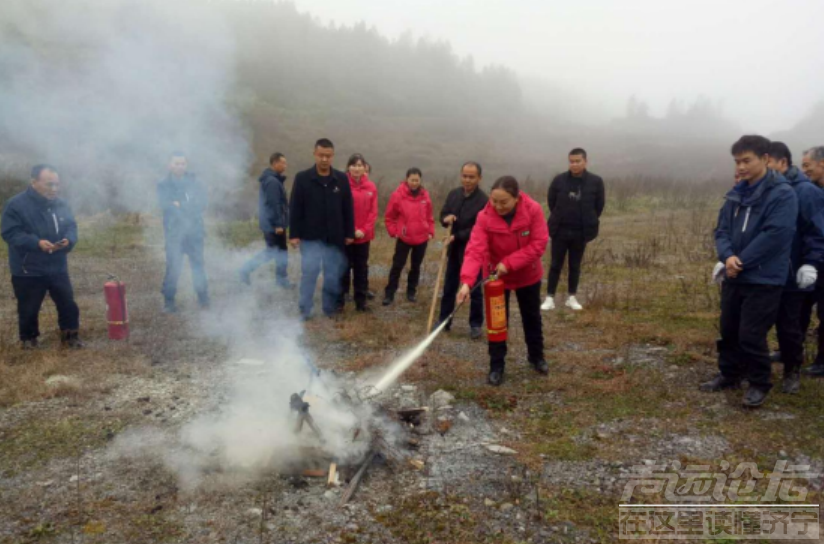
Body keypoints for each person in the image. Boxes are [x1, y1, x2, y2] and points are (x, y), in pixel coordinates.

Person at [701, 135, 798, 408]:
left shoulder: (782, 194)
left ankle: (759, 382)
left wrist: (739, 261)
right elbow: (721, 230)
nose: (741, 167)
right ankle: (730, 374)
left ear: (765, 159)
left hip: (764, 277)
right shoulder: (737, 193)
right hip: (735, 274)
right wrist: (727, 256)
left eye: (747, 160)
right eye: (737, 161)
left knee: (751, 333)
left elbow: (775, 235)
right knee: (729, 328)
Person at [457, 176, 550, 386]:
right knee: (497, 322)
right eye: (494, 201)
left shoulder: (533, 210)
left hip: (527, 275)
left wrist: (508, 263)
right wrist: (466, 282)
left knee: (531, 317)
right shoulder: (484, 217)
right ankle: (496, 365)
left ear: (516, 198)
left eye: (504, 202)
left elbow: (538, 244)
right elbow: (475, 250)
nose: (498, 206)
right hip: (496, 278)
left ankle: (537, 357)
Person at [1, 164, 83, 348]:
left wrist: (68, 240)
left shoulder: (61, 204)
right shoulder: (16, 205)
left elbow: (71, 226)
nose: (54, 189)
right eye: (49, 184)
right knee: (28, 308)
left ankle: (70, 336)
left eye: (56, 184)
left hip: (57, 265)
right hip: (28, 267)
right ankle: (29, 340)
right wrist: (36, 243)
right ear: (33, 182)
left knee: (67, 303)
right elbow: (10, 233)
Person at [765, 142, 824, 393]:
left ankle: (805, 366)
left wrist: (811, 262)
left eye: (809, 165)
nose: (806, 170)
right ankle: (786, 355)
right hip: (783, 268)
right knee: (789, 314)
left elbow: (815, 230)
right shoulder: (772, 189)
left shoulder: (807, 192)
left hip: (804, 265)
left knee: (806, 316)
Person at [289, 138, 354, 320]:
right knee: (309, 272)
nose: (324, 159)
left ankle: (329, 307)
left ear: (332, 156)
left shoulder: (341, 179)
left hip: (335, 236)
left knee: (332, 273)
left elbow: (347, 208)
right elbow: (295, 207)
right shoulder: (302, 178)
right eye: (321, 155)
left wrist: (349, 233)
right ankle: (305, 308)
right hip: (310, 236)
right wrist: (294, 234)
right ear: (314, 154)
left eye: (328, 156)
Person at [542, 148, 605, 312]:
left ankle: (572, 297)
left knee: (575, 265)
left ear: (585, 161)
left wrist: (589, 220)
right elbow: (551, 201)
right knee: (555, 264)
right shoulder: (559, 180)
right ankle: (549, 297)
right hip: (560, 230)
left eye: (578, 161)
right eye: (571, 161)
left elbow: (599, 206)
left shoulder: (596, 181)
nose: (574, 164)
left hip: (580, 231)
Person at [437, 162, 487, 339]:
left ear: (479, 178)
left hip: (473, 249)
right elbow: (443, 214)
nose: (467, 180)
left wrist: (457, 236)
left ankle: (475, 324)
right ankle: (444, 320)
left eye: (471, 177)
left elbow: (478, 228)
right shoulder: (454, 194)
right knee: (449, 286)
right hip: (454, 249)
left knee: (474, 288)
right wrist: (446, 218)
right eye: (465, 176)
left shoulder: (484, 200)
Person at [158, 152, 209, 313]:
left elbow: (201, 204)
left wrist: (180, 204)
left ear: (186, 165)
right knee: (173, 268)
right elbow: (164, 205)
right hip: (174, 234)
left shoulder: (195, 183)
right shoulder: (163, 184)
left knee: (198, 267)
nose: (180, 166)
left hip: (195, 233)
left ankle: (203, 299)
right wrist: (184, 205)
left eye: (182, 163)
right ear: (170, 165)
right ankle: (169, 302)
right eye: (176, 163)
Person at [240, 152, 292, 288]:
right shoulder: (272, 181)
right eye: (283, 163)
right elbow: (274, 204)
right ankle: (245, 270)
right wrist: (278, 224)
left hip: (271, 223)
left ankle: (281, 280)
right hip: (273, 225)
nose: (285, 166)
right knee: (272, 252)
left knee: (280, 251)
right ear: (275, 163)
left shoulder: (272, 179)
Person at [383, 168, 434, 305]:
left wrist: (430, 231)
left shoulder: (425, 195)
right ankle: (389, 293)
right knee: (397, 265)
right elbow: (389, 216)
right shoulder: (398, 195)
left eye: (417, 180)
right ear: (407, 179)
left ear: (420, 180)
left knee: (416, 266)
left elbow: (429, 216)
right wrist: (394, 232)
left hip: (421, 238)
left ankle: (411, 292)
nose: (414, 183)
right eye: (412, 180)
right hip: (404, 238)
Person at [341, 153, 378, 312]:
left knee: (361, 269)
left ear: (365, 168)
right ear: (348, 167)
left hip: (364, 237)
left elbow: (373, 212)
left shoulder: (371, 187)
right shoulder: (342, 185)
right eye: (354, 165)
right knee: (343, 268)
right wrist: (351, 230)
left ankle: (361, 302)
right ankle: (340, 301)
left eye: (360, 165)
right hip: (346, 236)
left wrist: (363, 230)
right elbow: (339, 210)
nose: (357, 168)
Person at [799, 145, 824, 378]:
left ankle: (822, 361)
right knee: (800, 306)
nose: (804, 171)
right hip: (812, 259)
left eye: (807, 165)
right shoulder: (812, 191)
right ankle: (791, 351)